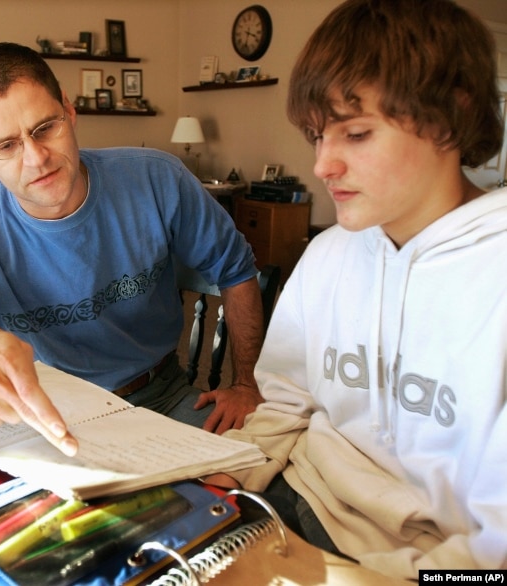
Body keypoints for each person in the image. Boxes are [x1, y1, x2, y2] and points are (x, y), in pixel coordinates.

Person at [205, 0, 506, 579]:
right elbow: (284, 405)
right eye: (318, 136)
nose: (322, 165)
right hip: (285, 500)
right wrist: (228, 475)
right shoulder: (329, 255)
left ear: (450, 115)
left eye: (357, 134)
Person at [0, 42, 265, 457]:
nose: (37, 159)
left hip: (161, 398)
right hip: (37, 417)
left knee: (254, 481)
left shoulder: (158, 179)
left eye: (45, 128)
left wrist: (247, 384)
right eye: (6, 146)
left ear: (69, 112)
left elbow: (236, 270)